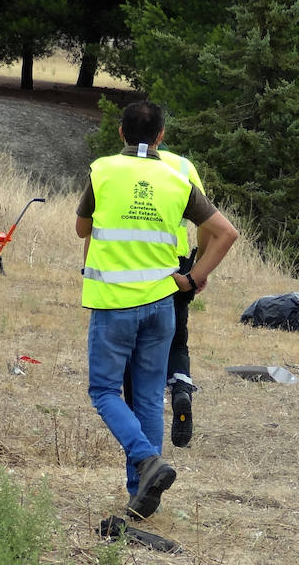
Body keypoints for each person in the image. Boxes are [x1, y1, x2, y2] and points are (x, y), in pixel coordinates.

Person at [78, 101, 238, 519]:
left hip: (114, 303)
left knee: (104, 391)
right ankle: (142, 493)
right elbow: (224, 233)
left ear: (120, 133)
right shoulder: (178, 175)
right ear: (163, 136)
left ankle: (146, 460)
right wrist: (194, 276)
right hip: (160, 304)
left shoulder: (104, 170)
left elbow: (81, 228)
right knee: (148, 397)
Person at [122, 145, 206, 448]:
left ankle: (135, 419)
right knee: (177, 339)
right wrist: (199, 269)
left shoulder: (121, 165)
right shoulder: (185, 168)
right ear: (160, 134)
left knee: (133, 341)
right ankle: (181, 388)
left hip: (132, 261)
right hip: (177, 263)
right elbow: (207, 223)